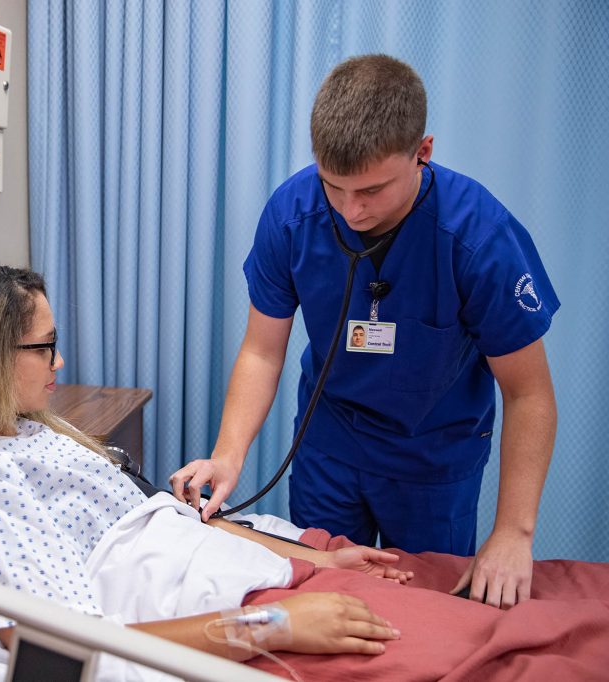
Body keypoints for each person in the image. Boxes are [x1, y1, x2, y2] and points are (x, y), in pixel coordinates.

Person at [0, 264, 607, 680]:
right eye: (47, 346)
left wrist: (313, 557)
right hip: (245, 627)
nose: (62, 363)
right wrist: (271, 624)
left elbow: (174, 523)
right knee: (527, 661)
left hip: (273, 582)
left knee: (547, 616)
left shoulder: (37, 435)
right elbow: (59, 652)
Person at [169, 54, 558, 610]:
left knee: (426, 616)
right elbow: (261, 351)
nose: (351, 210)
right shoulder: (292, 214)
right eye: (334, 186)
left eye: (372, 191)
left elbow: (530, 393)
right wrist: (228, 456)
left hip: (433, 460)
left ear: (422, 152)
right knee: (317, 596)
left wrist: (514, 535)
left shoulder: (478, 238)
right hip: (331, 448)